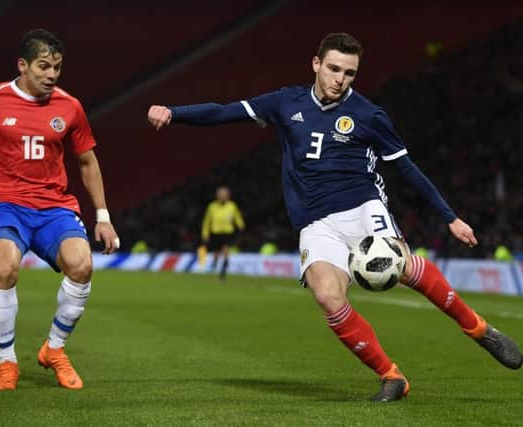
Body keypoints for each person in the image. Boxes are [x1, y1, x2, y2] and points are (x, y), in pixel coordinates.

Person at [148, 32, 522, 401]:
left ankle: (478, 329)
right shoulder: (285, 102)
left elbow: (407, 168)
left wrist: (449, 217)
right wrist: (174, 113)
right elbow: (223, 111)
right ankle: (391, 377)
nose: (339, 80)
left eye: (349, 73)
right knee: (327, 296)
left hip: (363, 208)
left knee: (404, 268)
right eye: (333, 69)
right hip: (315, 222)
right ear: (316, 64)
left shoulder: (368, 115)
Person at [0, 29, 119, 391]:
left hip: (55, 206)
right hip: (5, 204)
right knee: (6, 267)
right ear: (22, 65)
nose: (52, 75)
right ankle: (7, 363)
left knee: (82, 266)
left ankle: (54, 349)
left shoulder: (69, 106)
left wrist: (103, 217)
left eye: (57, 67)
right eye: (44, 66)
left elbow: (88, 161)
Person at [201, 186, 245, 279]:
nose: (222, 196)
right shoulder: (212, 206)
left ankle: (223, 269)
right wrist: (205, 233)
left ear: (228, 196)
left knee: (225, 249)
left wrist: (241, 225)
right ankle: (215, 263)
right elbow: (207, 221)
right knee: (216, 252)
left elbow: (237, 217)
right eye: (221, 195)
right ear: (217, 196)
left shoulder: (232, 206)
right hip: (215, 232)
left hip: (227, 232)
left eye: (224, 194)